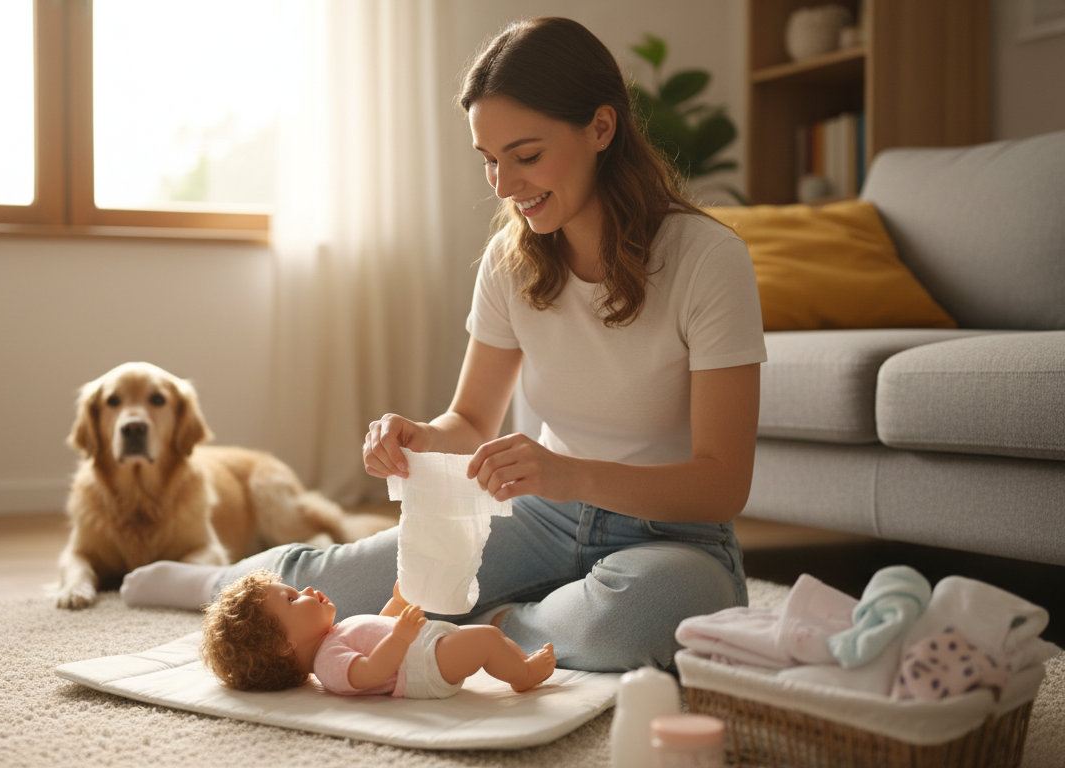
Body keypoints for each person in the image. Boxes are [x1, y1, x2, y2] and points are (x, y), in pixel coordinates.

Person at [121, 16, 766, 673]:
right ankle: (208, 583)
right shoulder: (511, 262)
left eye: (527, 154)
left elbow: (722, 484)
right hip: (543, 514)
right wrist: (418, 437)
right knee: (344, 586)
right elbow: (472, 421)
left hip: (674, 539)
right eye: (489, 159)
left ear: (602, 128)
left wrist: (570, 473)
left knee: (635, 628)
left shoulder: (707, 260)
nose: (504, 185)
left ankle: (485, 623)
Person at [199, 570, 556, 696]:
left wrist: (398, 602)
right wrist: (400, 638)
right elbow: (371, 671)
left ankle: (520, 661)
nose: (307, 590)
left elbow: (378, 624)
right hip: (423, 668)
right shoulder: (328, 666)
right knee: (486, 640)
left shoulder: (334, 634)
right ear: (283, 645)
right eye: (293, 599)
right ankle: (522, 675)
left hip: (424, 649)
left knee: (487, 639)